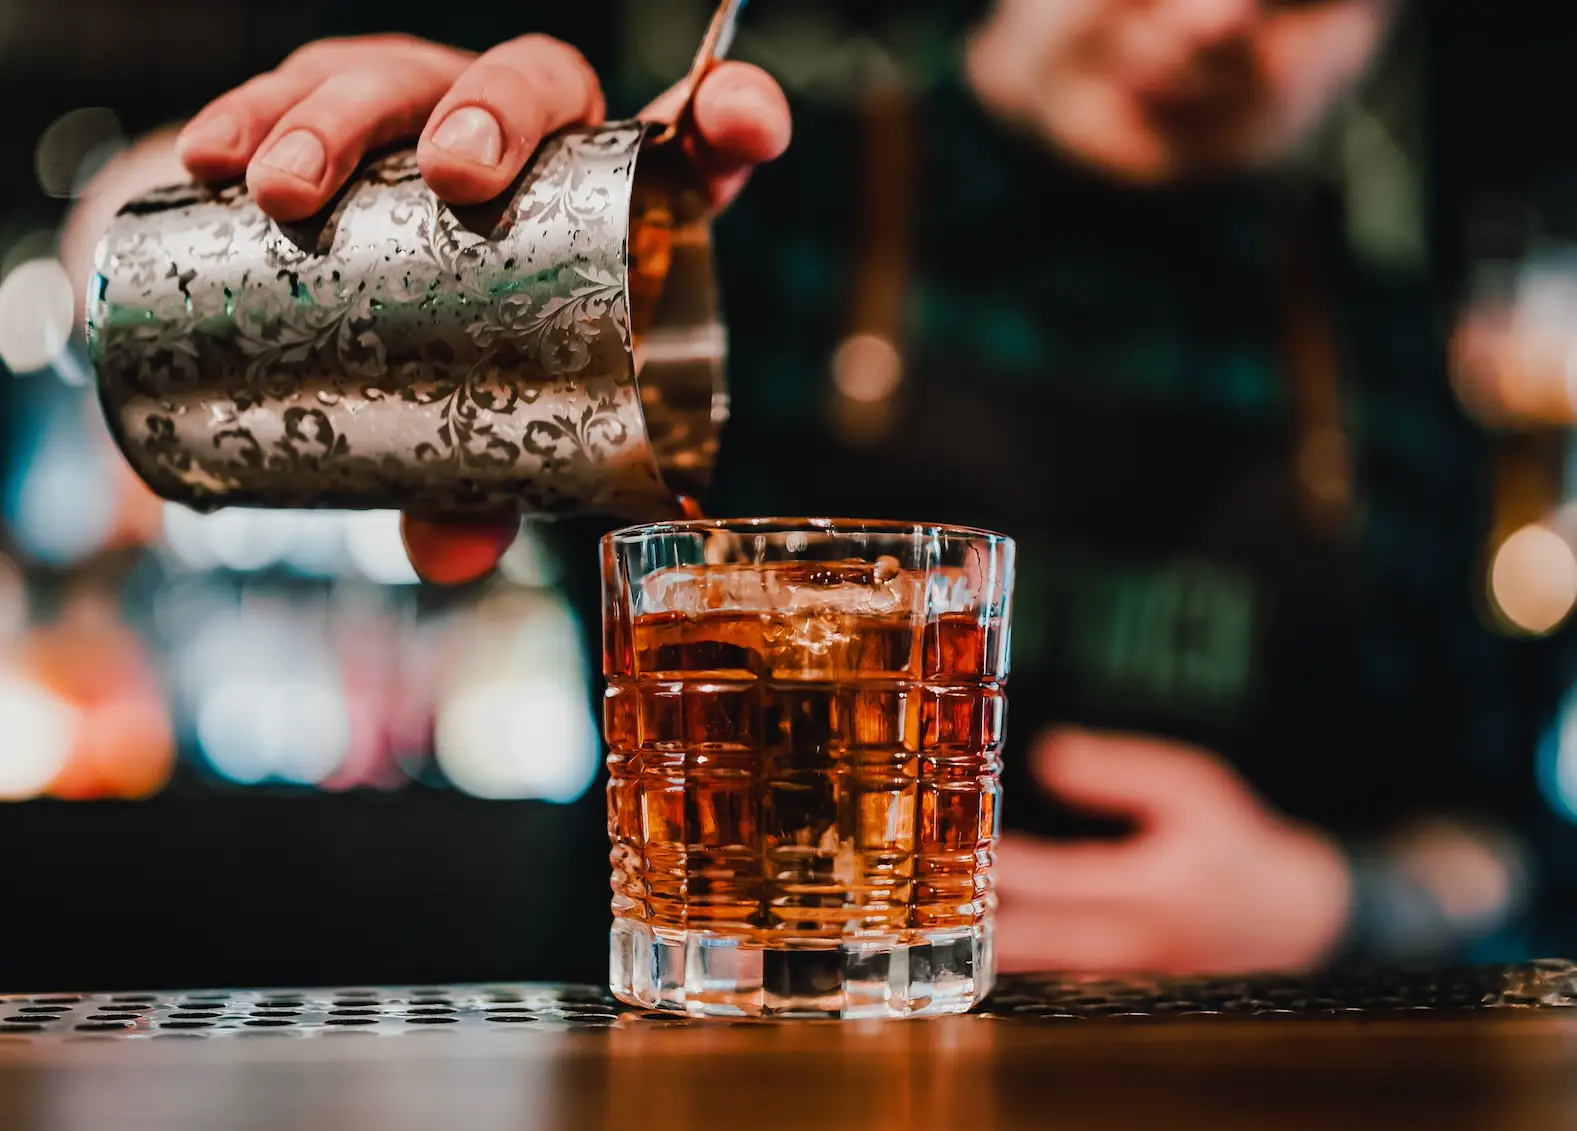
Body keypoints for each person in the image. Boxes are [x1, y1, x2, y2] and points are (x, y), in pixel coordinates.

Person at [153, 0, 1567, 974]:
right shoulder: (742, 213)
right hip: (705, 1103)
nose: (1210, 19)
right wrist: (347, 223)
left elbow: (1504, 834)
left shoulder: (1385, 338)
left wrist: (1335, 904)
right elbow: (131, 302)